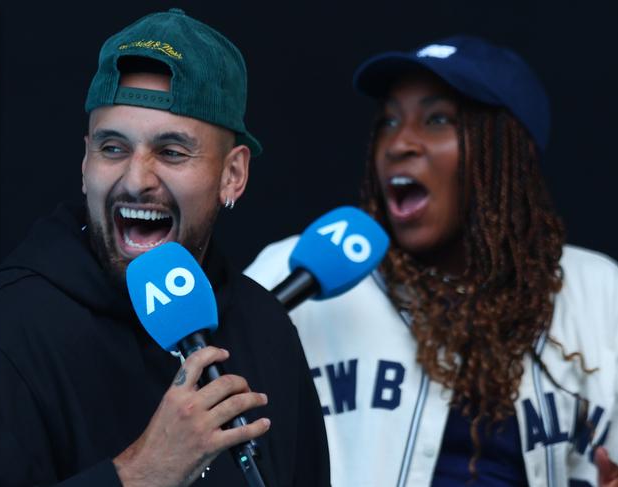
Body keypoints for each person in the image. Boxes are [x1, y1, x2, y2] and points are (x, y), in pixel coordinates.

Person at [0, 9, 330, 487]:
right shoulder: (1, 330)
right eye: (113, 148)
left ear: (233, 174)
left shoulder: (265, 327)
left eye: (171, 152)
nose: (136, 181)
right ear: (84, 163)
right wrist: (139, 475)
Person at [245, 35, 618, 486]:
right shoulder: (301, 269)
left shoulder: (599, 292)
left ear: (506, 152)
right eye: (388, 122)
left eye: (437, 119)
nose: (399, 143)